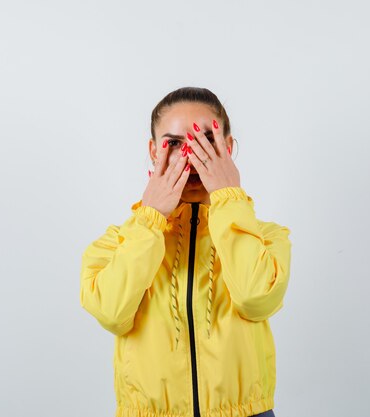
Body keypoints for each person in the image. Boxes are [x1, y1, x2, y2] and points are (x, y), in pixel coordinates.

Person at [79, 87, 291, 417]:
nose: (192, 155)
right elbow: (112, 313)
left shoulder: (265, 237)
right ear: (153, 150)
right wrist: (150, 217)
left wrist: (228, 196)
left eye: (208, 139)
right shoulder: (116, 243)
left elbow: (255, 298)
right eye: (175, 143)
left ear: (229, 147)